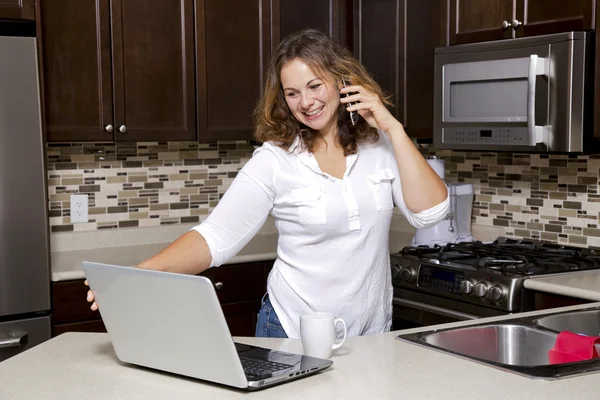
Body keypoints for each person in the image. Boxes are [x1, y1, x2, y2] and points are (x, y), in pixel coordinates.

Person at [86, 29, 449, 339]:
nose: (305, 102)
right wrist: (139, 274)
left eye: (314, 85)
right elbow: (216, 237)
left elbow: (430, 212)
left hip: (370, 335)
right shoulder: (275, 160)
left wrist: (393, 128)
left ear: (341, 82)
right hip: (291, 332)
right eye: (292, 93)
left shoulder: (381, 146)